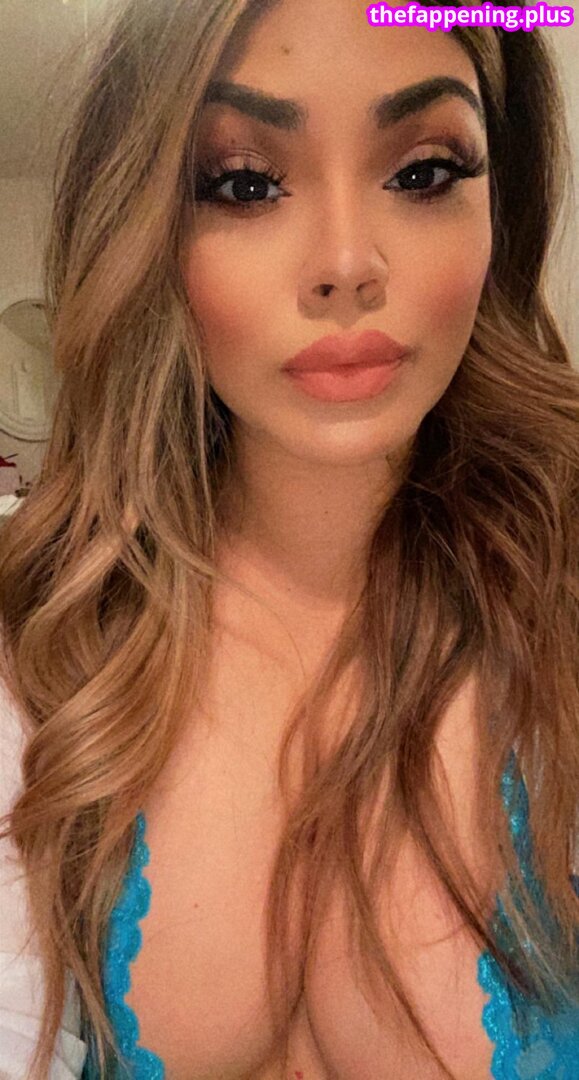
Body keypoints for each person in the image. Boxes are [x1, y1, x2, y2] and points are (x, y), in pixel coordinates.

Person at [0, 0, 577, 1076]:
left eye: (424, 172)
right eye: (244, 184)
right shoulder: (45, 655)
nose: (346, 263)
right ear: (147, 234)